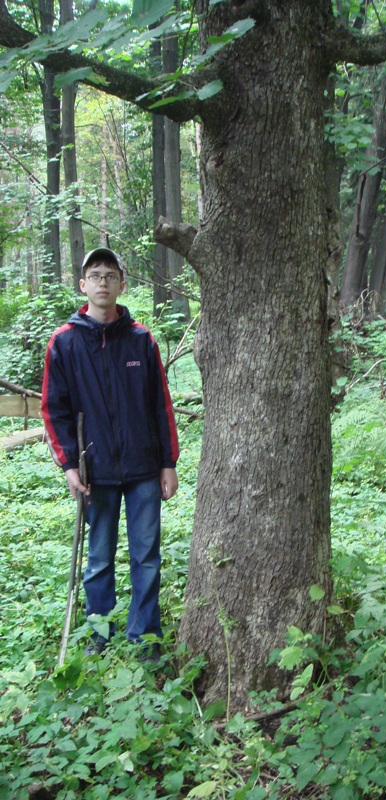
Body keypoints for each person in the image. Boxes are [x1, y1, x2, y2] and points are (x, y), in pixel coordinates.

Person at [41, 247, 179, 660]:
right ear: (83, 285)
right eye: (95, 275)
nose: (103, 281)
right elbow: (54, 409)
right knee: (99, 559)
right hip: (93, 471)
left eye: (111, 275)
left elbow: (161, 405)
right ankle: (99, 635)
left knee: (147, 558)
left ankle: (145, 639)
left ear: (121, 284)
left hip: (142, 471)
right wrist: (68, 464)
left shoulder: (142, 339)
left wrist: (168, 462)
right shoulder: (64, 343)